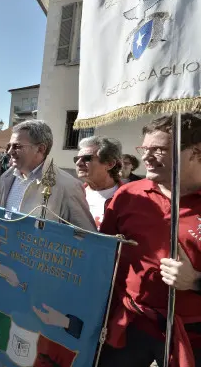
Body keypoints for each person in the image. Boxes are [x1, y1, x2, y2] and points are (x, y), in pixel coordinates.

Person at [99, 114, 201, 367]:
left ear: (196, 152)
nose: (146, 157)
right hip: (129, 325)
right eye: (144, 148)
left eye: (159, 149)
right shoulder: (129, 194)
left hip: (192, 335)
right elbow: (103, 254)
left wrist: (196, 281)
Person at [0, 120, 96, 232]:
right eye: (8, 146)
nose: (9, 151)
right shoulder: (6, 178)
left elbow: (86, 236)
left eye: (17, 146)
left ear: (41, 149)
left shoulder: (68, 186)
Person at [75, 136, 123, 229]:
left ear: (110, 164)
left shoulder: (128, 198)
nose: (78, 163)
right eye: (76, 159)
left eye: (86, 158)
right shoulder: (74, 193)